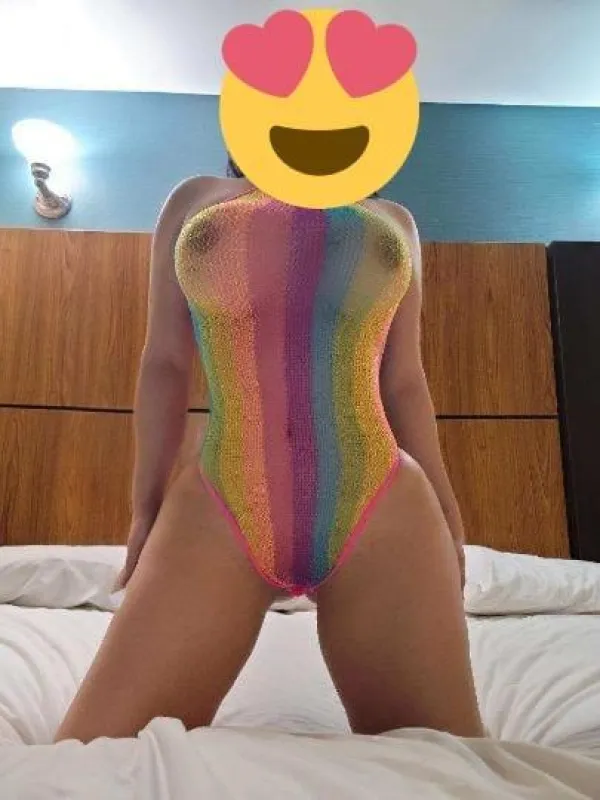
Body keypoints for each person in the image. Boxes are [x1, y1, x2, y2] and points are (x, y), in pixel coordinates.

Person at [54, 158, 484, 743]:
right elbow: (165, 362)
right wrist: (144, 512)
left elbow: (404, 380)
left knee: (451, 765)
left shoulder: (393, 221)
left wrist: (451, 521)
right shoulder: (197, 199)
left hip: (382, 504)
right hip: (222, 501)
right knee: (90, 755)